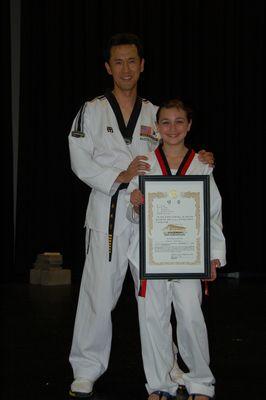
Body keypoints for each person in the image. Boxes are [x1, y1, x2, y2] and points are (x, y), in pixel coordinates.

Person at [68, 33, 214, 399]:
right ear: (108, 67)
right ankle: (86, 368)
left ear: (142, 64)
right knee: (99, 296)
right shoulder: (93, 109)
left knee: (156, 299)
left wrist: (202, 158)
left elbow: (177, 148)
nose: (126, 68)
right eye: (118, 62)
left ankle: (168, 368)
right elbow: (79, 160)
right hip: (109, 215)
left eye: (132, 61)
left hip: (154, 222)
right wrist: (118, 177)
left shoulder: (154, 112)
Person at [126, 98, 226, 400]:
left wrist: (213, 257)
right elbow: (134, 212)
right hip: (150, 256)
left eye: (179, 121)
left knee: (191, 317)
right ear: (156, 127)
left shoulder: (201, 163)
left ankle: (200, 382)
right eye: (166, 122)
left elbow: (212, 213)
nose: (172, 128)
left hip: (187, 257)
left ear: (189, 125)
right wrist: (135, 204)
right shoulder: (145, 163)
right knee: (152, 320)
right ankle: (159, 384)